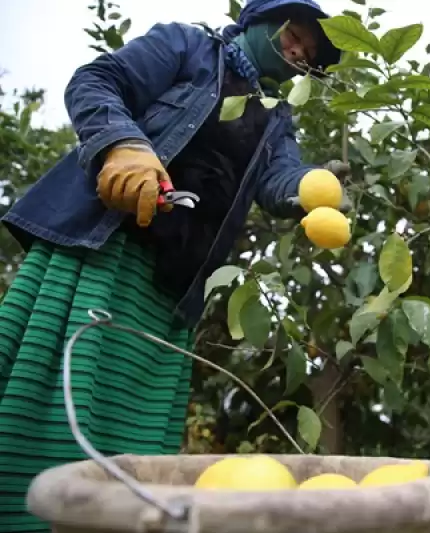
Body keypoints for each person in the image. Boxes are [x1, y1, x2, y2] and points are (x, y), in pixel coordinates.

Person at [0, 0, 346, 530]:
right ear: (260, 20)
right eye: (294, 34)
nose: (298, 50)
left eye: (308, 51)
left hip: (173, 289)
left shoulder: (277, 116)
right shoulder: (189, 47)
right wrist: (122, 144)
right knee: (53, 397)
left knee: (135, 434)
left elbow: (280, 177)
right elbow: (96, 79)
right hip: (105, 250)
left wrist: (306, 189)